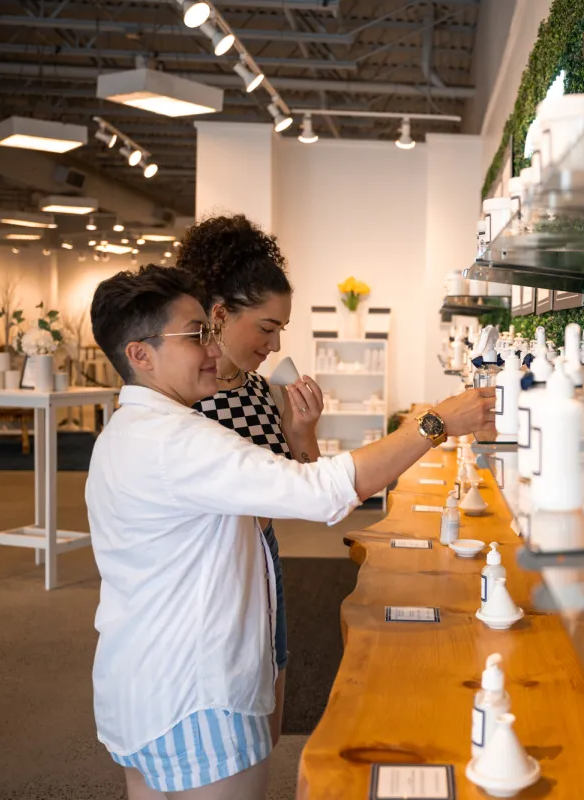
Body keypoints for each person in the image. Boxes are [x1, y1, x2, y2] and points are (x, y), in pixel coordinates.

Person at [86, 265, 494, 799]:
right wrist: (432, 424)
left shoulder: (128, 432)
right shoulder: (176, 440)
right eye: (196, 335)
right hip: (195, 695)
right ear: (140, 354)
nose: (213, 347)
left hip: (139, 684)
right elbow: (321, 491)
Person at [175, 214, 318, 747]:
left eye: (281, 330)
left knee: (268, 713)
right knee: (218, 719)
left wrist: (303, 429)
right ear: (219, 314)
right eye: (266, 327)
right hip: (210, 572)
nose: (275, 344)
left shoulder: (260, 391)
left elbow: (304, 488)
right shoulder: (187, 399)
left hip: (262, 557)